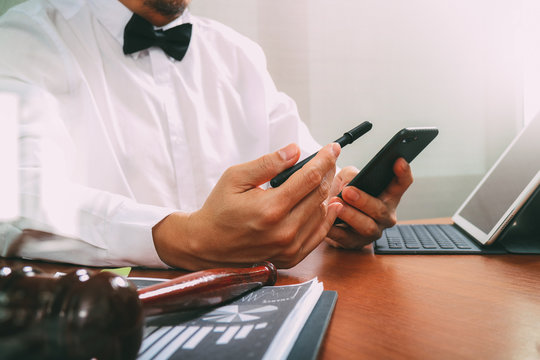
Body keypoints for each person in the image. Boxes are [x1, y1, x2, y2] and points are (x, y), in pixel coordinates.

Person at [0, 0, 412, 270]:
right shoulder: (26, 36)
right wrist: (186, 237)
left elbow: (303, 165)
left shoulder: (239, 53)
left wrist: (337, 205)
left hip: (256, 306)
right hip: (107, 325)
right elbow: (16, 198)